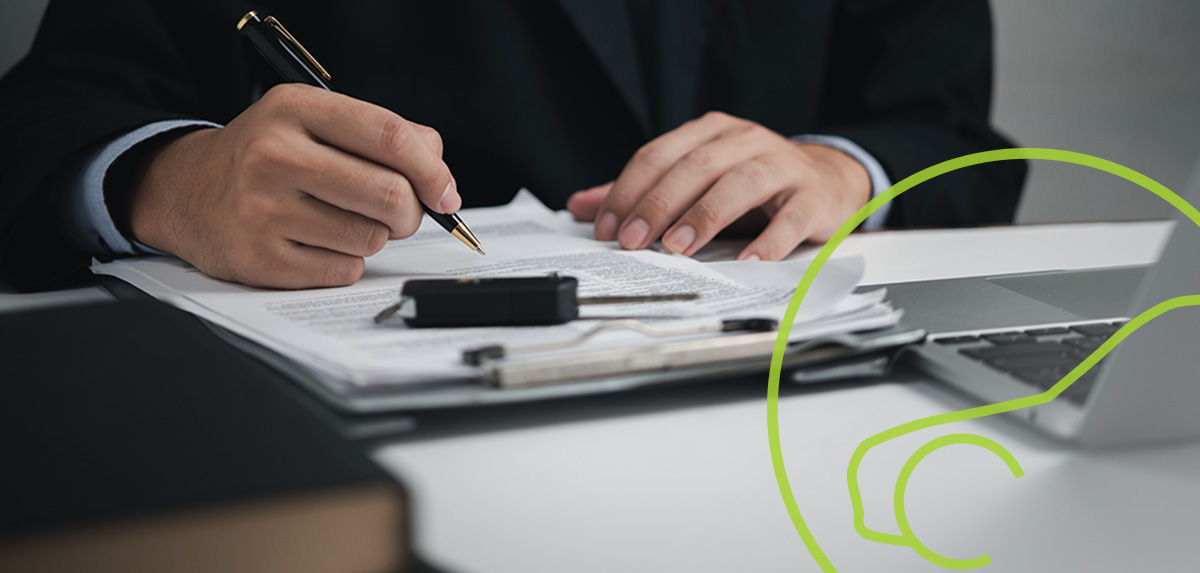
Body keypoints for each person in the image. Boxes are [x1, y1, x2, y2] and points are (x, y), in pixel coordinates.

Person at [0, 0, 1026, 291]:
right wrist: (168, 182)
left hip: (802, 412)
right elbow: (51, 106)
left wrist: (844, 167)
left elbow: (947, 132)